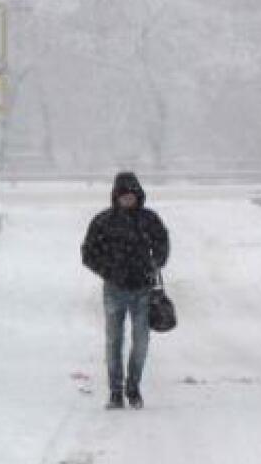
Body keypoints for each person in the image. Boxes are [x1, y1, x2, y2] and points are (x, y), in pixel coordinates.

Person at [81, 171, 170, 410]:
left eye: (131, 195)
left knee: (141, 341)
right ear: (116, 197)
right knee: (114, 341)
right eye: (123, 196)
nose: (128, 200)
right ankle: (115, 391)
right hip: (114, 289)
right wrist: (108, 270)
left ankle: (133, 387)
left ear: (138, 195)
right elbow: (88, 253)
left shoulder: (149, 220)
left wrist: (154, 263)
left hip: (143, 289)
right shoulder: (103, 222)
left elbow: (163, 243)